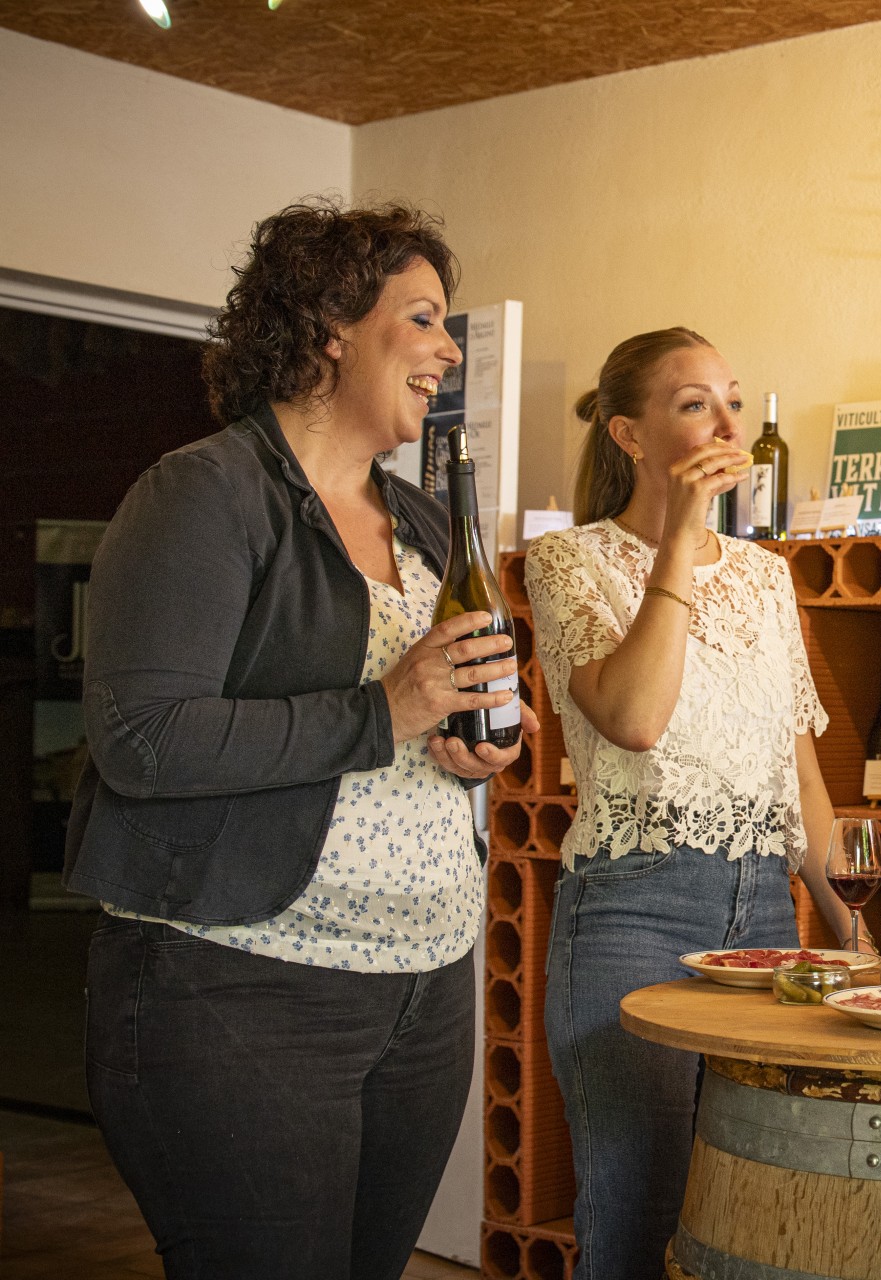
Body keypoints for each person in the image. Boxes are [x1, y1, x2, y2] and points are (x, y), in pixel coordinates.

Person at [66, 200, 533, 1280]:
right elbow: (142, 739)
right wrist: (384, 712)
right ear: (330, 326)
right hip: (239, 989)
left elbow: (456, 698)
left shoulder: (426, 521)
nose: (450, 350)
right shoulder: (203, 493)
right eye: (422, 318)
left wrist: (486, 739)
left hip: (423, 984)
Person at [524, 328, 853, 1280]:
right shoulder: (568, 562)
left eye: (732, 401)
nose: (727, 425)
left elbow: (799, 778)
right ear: (629, 435)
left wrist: (851, 930)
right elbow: (634, 718)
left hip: (768, 921)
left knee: (755, 1215)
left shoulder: (765, 575)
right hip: (632, 913)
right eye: (694, 404)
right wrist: (680, 535)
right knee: (638, 1214)